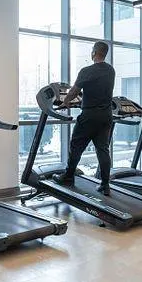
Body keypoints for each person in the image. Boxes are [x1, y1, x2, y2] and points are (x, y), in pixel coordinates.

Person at [57, 41, 116, 195]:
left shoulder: (86, 71)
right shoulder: (111, 70)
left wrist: (65, 101)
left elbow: (74, 91)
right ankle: (105, 185)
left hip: (90, 116)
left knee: (76, 146)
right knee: (103, 150)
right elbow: (97, 89)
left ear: (94, 53)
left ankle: (68, 176)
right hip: (106, 116)